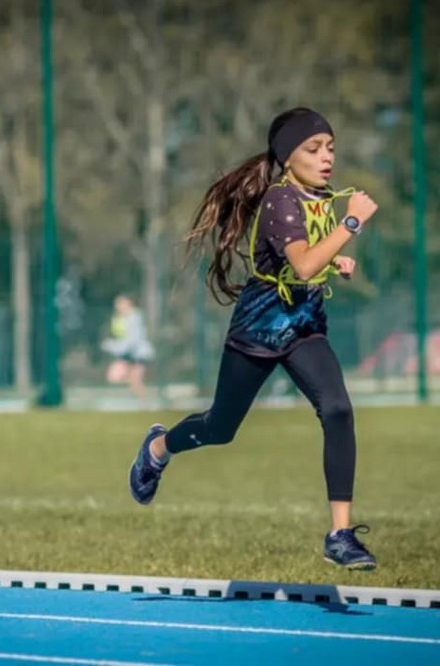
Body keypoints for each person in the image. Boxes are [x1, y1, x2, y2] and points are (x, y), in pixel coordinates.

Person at [127, 107, 380, 569]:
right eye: (314, 149)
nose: (327, 158)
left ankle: (340, 534)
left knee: (338, 409)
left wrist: (335, 262)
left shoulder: (318, 197)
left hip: (304, 328)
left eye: (331, 148)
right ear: (288, 158)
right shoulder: (281, 200)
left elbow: (304, 264)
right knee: (220, 428)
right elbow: (301, 264)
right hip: (258, 332)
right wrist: (352, 225)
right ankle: (159, 448)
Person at [101, 294, 154, 397]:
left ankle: (144, 404)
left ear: (129, 303)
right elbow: (122, 338)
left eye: (121, 303)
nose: (118, 306)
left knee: (135, 382)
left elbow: (133, 339)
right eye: (117, 303)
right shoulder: (119, 318)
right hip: (126, 354)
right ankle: (141, 399)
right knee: (116, 378)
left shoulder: (135, 317)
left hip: (138, 354)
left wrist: (112, 346)